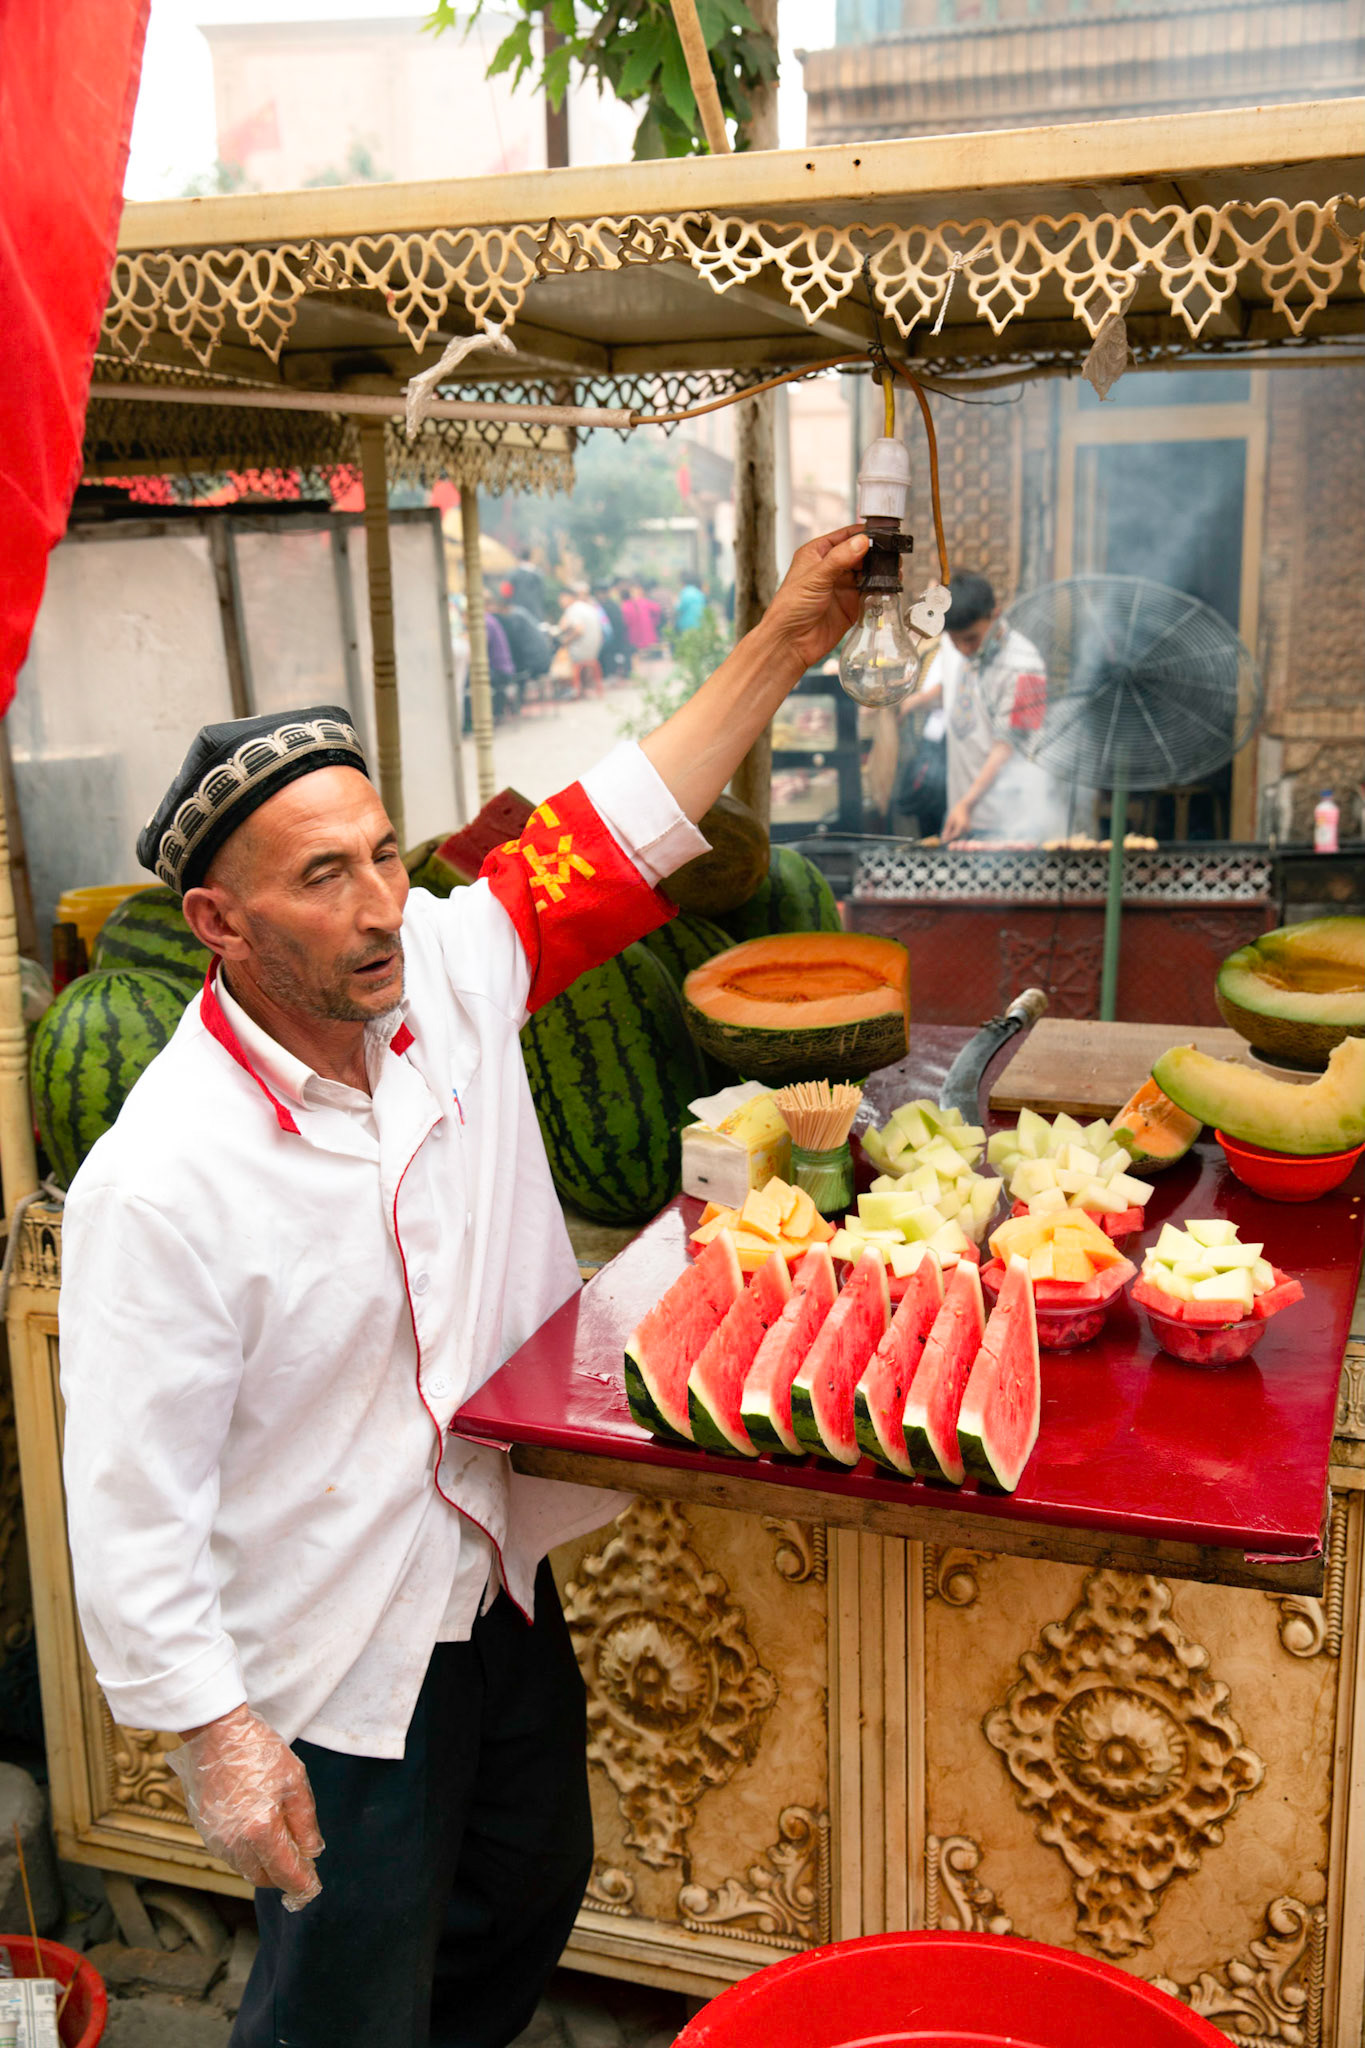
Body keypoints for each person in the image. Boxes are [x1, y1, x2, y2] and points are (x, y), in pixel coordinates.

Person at [57, 523, 870, 2048]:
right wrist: (218, 1739)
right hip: (327, 1647)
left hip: (487, 1580)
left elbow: (620, 819)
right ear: (219, 925)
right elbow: (126, 1501)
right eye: (322, 879)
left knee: (525, 1889)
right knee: (347, 2001)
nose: (378, 906)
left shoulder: (445, 961)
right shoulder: (161, 1180)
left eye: (380, 852)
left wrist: (782, 639)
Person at [896, 570, 1069, 844]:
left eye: (971, 639)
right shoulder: (954, 644)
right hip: (964, 813)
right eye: (955, 640)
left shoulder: (1027, 666)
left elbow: (1009, 745)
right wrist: (913, 703)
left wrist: (967, 803)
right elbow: (955, 690)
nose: (963, 649)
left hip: (1010, 821)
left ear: (995, 614)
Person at [555, 584, 604, 698]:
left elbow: (579, 630)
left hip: (581, 652)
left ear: (567, 597)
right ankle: (580, 687)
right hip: (594, 651)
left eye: (561, 599)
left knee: (559, 655)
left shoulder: (574, 609)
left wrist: (565, 641)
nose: (560, 602)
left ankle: (568, 689)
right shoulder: (587, 606)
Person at [594, 583, 630, 679]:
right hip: (618, 637)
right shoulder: (613, 604)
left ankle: (607, 674)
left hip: (610, 639)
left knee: (606, 655)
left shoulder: (602, 606)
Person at [620, 581, 662, 658]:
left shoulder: (628, 604)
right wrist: (655, 621)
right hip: (643, 635)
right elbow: (657, 609)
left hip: (637, 636)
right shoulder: (643, 602)